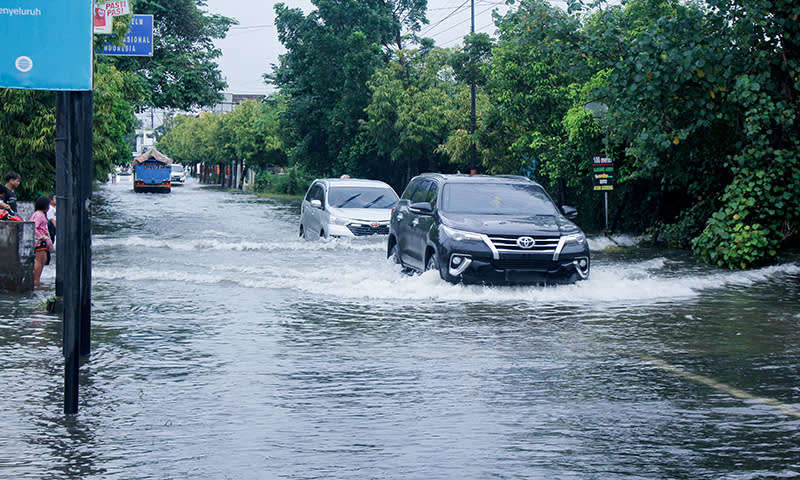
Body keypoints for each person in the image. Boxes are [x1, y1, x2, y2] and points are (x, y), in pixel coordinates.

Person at [29, 195, 54, 285]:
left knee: (43, 260)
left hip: (42, 241)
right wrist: (42, 237)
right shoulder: (39, 215)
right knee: (40, 261)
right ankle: (36, 280)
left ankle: (37, 279)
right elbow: (34, 227)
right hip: (40, 242)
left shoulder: (39, 214)